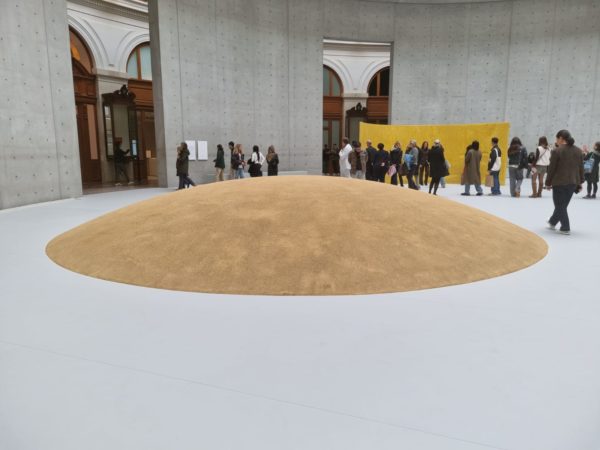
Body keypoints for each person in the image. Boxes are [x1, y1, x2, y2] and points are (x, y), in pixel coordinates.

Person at [545, 129, 584, 235]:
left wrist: (548, 183)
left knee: (560, 205)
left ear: (561, 138)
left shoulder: (557, 151)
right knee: (562, 205)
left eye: (557, 139)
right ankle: (552, 222)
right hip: (573, 182)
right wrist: (580, 182)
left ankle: (565, 227)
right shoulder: (578, 151)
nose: (556, 141)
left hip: (559, 182)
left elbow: (551, 169)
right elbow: (581, 168)